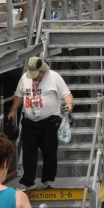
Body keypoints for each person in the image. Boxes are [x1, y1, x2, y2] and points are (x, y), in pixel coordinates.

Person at [7, 57, 73, 191]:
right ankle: (28, 181)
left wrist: (69, 104)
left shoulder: (54, 77)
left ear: (42, 71)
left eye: (36, 75)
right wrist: (13, 110)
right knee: (28, 151)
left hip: (49, 120)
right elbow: (19, 95)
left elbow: (67, 94)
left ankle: (48, 179)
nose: (34, 78)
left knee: (49, 151)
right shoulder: (25, 78)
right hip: (29, 120)